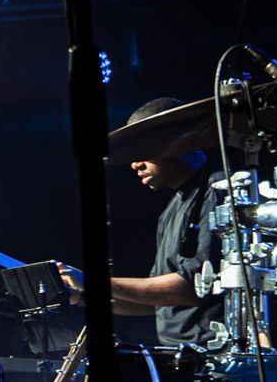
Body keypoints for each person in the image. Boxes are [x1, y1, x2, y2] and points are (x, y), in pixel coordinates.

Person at [59, 98, 226, 347]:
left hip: (211, 355)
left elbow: (191, 289)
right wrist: (83, 296)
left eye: (142, 152)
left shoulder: (217, 191)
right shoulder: (171, 209)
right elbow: (159, 301)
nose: (135, 164)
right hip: (180, 353)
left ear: (178, 143)